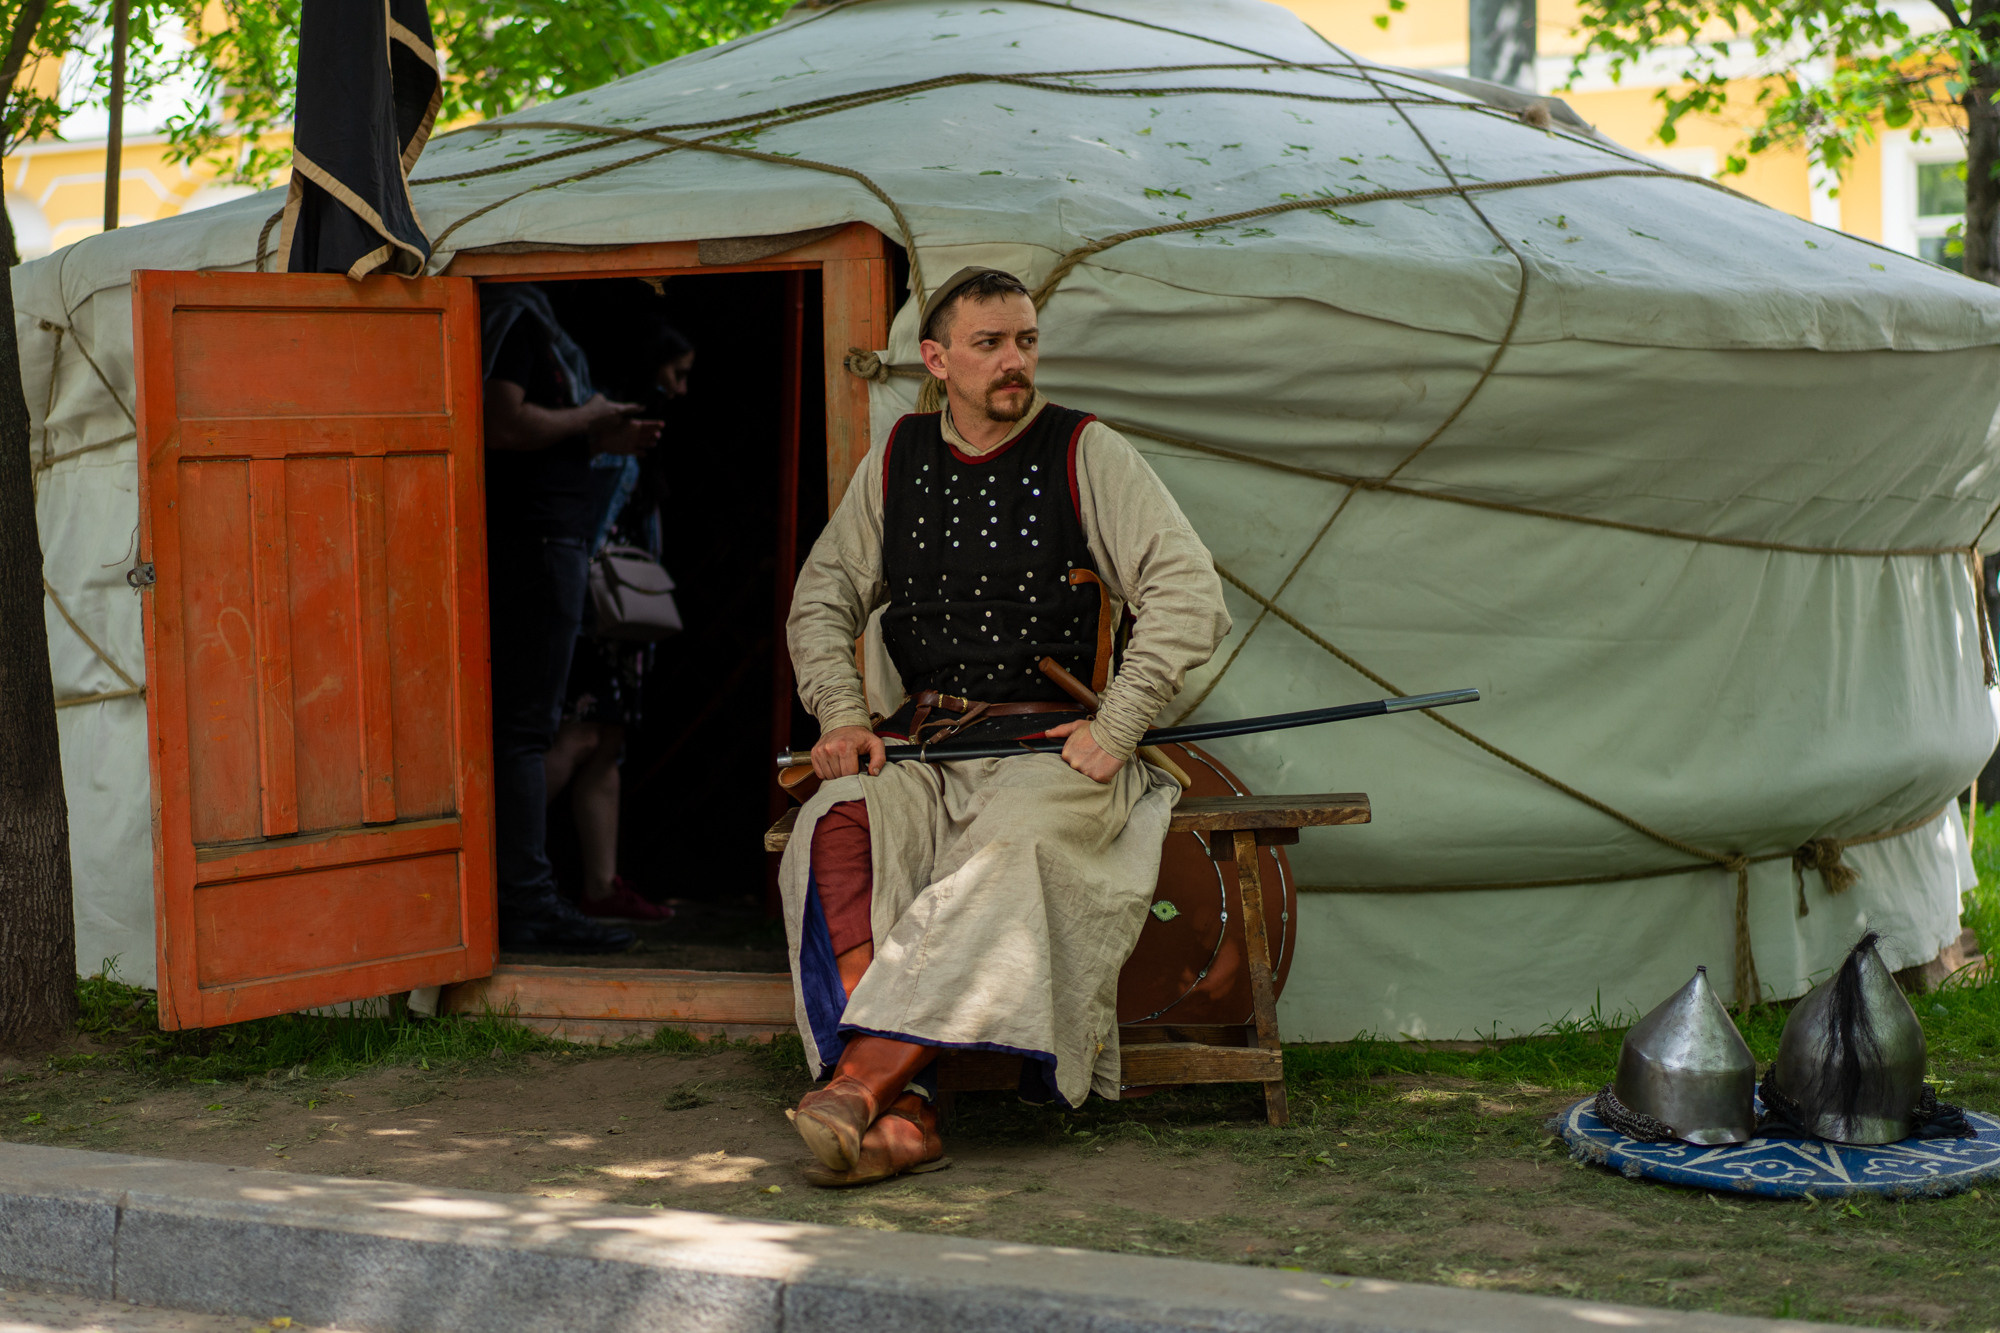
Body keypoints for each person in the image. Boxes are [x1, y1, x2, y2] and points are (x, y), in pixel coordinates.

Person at [779, 267, 1230, 1186]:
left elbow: (1188, 592)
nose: (1014, 360)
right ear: (937, 358)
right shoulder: (898, 456)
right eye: (989, 344)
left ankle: (861, 1088)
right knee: (836, 826)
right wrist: (841, 713)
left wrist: (1118, 722)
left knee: (1010, 851)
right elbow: (823, 596)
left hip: (1051, 750)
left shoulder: (1084, 450)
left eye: (1025, 339)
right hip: (924, 746)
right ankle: (908, 1112)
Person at [481, 282, 659, 953]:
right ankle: (524, 901)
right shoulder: (518, 323)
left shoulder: (532, 326)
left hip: (544, 539)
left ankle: (522, 896)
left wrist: (597, 436)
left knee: (535, 729)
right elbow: (504, 422)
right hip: (531, 545)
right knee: (530, 731)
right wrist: (589, 416)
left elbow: (529, 436)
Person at [546, 316, 697, 923]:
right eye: (676, 373)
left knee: (606, 742)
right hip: (590, 609)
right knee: (575, 735)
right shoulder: (601, 425)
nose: (680, 390)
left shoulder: (634, 434)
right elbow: (589, 518)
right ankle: (498, 868)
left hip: (620, 614)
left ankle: (600, 886)